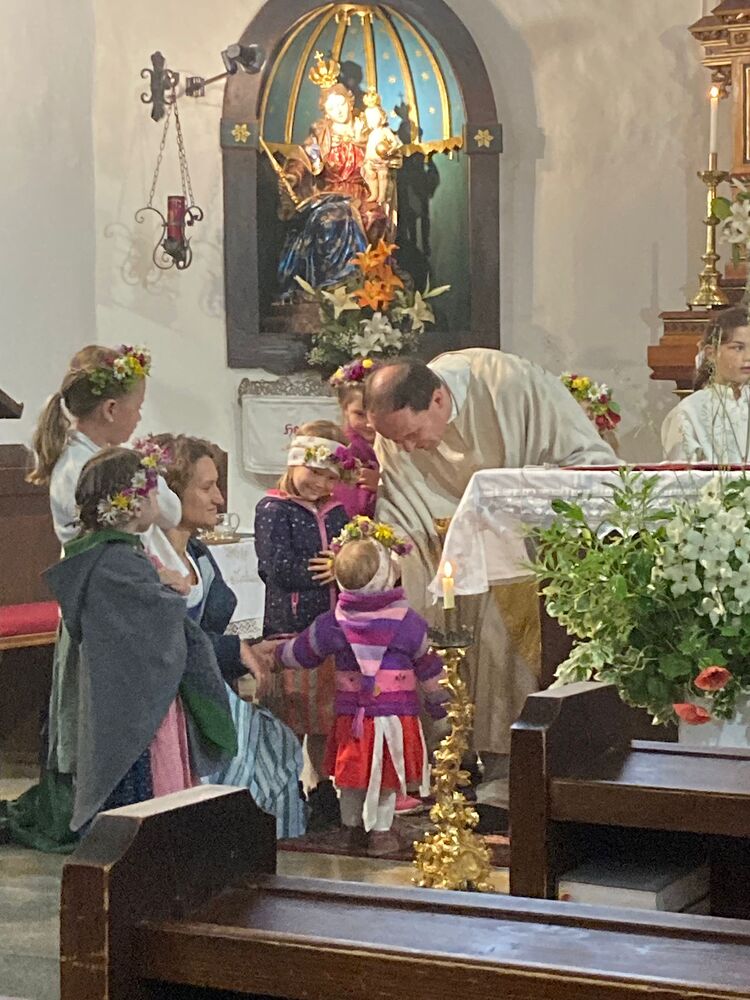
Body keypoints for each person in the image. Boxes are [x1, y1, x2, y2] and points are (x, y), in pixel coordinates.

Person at [365, 350, 617, 811]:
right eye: (397, 440)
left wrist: (514, 503)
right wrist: (390, 556)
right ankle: (445, 757)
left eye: (412, 435)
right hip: (441, 546)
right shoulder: (396, 435)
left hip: (529, 540)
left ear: (438, 398)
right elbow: (399, 505)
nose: (408, 448)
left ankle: (508, 766)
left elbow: (589, 463)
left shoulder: (509, 385)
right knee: (413, 612)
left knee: (504, 624)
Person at [2, 345, 183, 852]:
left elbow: (168, 513)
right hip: (105, 612)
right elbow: (119, 536)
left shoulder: (112, 462)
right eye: (136, 406)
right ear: (110, 409)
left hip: (126, 602)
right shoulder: (78, 469)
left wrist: (146, 472)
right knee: (99, 722)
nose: (140, 415)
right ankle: (96, 811)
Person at [44, 446, 236, 832]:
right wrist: (170, 593)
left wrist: (161, 583)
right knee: (144, 794)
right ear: (131, 504)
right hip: (135, 707)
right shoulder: (114, 562)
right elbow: (150, 624)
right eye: (152, 493)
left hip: (145, 696)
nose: (158, 501)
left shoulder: (121, 555)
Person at [154, 433, 306, 838]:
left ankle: (269, 849)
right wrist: (232, 648)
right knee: (261, 747)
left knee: (276, 744)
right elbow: (169, 643)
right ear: (170, 493)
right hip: (172, 698)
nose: (220, 499)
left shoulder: (198, 554)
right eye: (207, 487)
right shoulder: (150, 561)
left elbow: (206, 635)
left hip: (205, 685)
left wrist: (251, 650)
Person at [275, 517, 447, 855]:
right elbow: (428, 664)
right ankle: (381, 831)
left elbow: (304, 651)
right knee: (386, 774)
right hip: (395, 716)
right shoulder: (408, 622)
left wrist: (276, 656)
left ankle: (351, 827)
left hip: (352, 716)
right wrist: (439, 701)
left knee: (352, 775)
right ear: (386, 575)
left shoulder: (334, 622)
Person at [254, 420, 353, 829]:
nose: (321, 484)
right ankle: (284, 784)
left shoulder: (337, 511)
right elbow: (274, 567)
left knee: (324, 716)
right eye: (314, 472)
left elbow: (350, 554)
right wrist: (324, 571)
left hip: (330, 630)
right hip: (290, 627)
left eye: (330, 477)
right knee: (291, 713)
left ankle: (323, 787)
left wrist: (345, 564)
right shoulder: (273, 509)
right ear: (294, 462)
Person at [276, 56, 388, 293]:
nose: (338, 111)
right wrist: (293, 177)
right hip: (329, 194)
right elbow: (304, 160)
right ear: (326, 112)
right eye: (332, 108)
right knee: (328, 220)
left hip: (363, 193)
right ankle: (333, 285)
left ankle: (363, 282)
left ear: (350, 101)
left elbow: (386, 153)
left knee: (372, 217)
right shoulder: (321, 135)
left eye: (341, 104)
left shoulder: (366, 130)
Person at [662, 307, 750, 464]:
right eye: (738, 348)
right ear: (711, 353)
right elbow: (681, 474)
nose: (748, 357)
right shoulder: (689, 412)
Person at [330, 358, 380, 519]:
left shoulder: (404, 444)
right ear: (344, 408)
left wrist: (382, 484)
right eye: (359, 414)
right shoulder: (338, 447)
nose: (369, 423)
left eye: (376, 413)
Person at [362, 89, 403, 222]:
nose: (372, 121)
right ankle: (374, 193)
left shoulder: (385, 131)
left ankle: (381, 195)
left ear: (382, 117)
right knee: (370, 175)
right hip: (371, 160)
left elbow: (397, 143)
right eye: (369, 118)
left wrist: (391, 150)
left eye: (374, 117)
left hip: (382, 160)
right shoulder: (371, 134)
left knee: (382, 175)